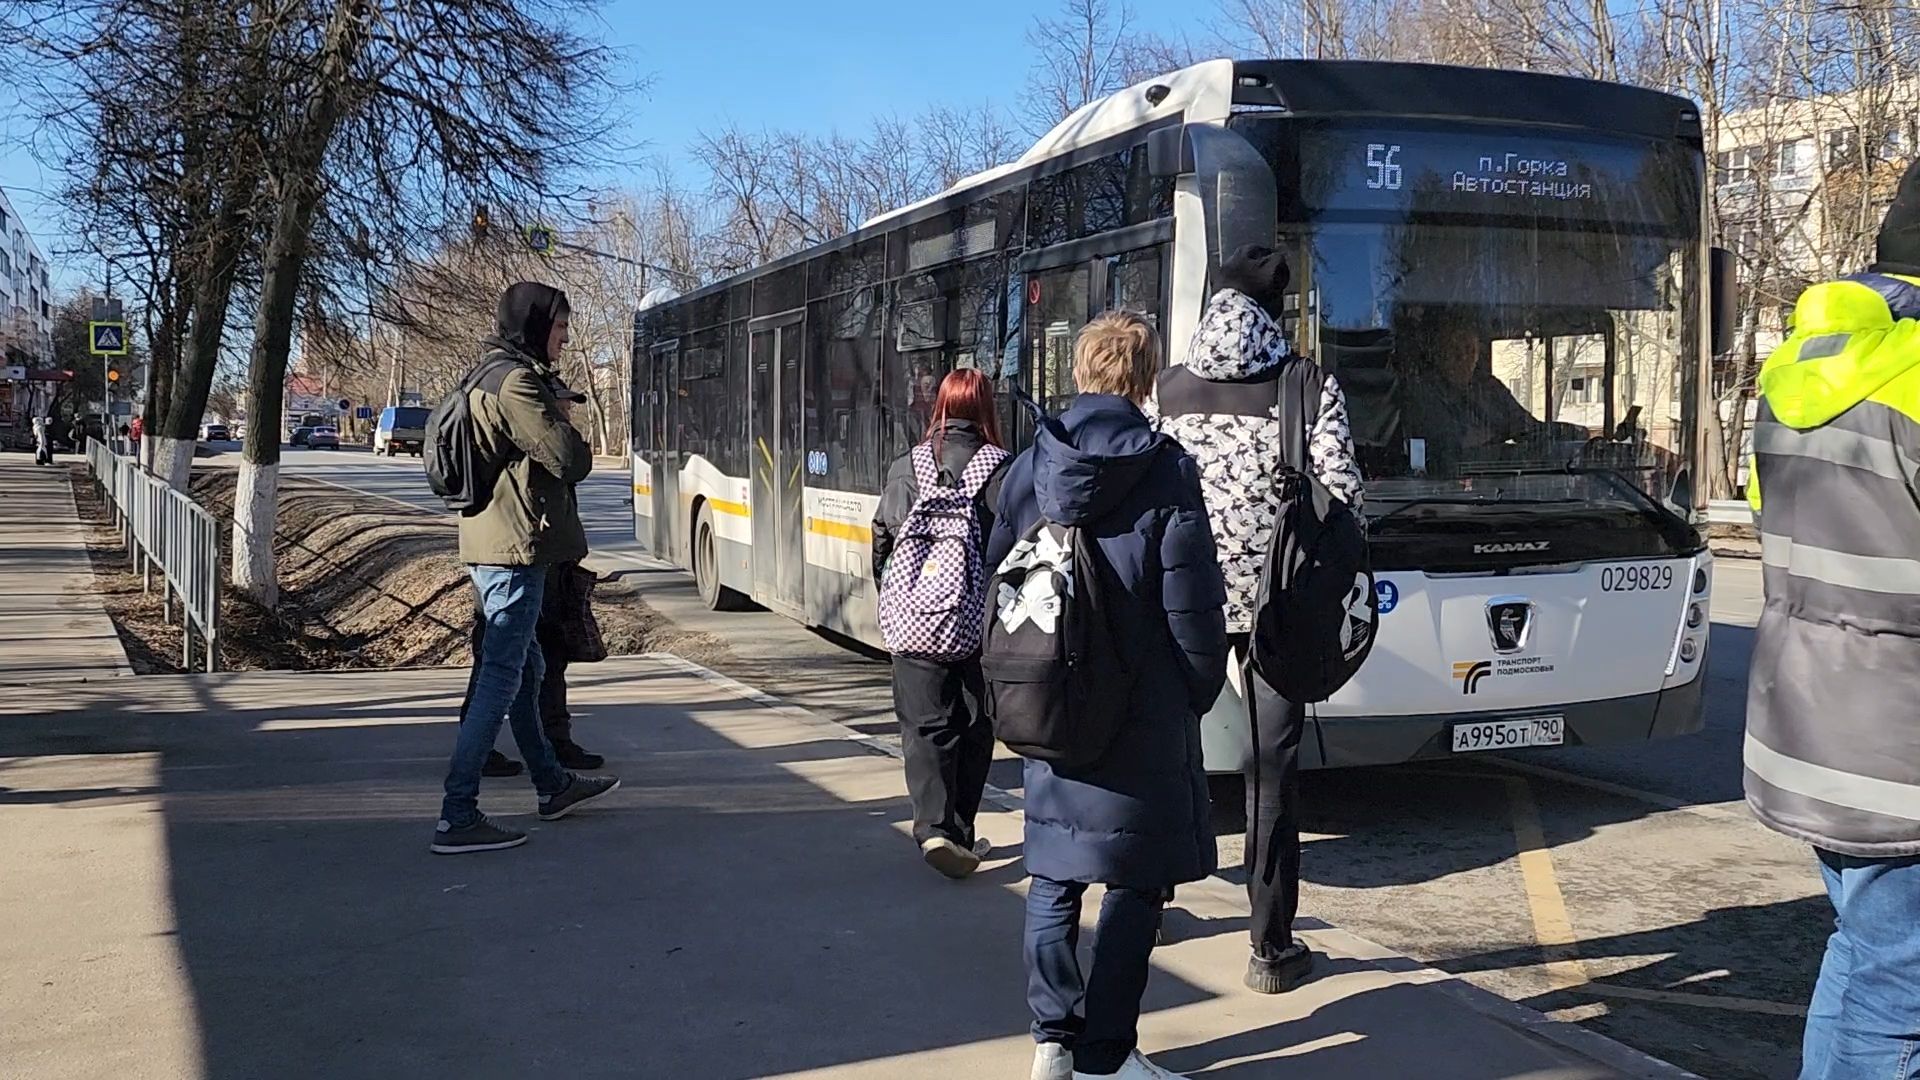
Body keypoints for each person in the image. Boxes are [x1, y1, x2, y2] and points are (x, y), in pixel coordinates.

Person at [987, 311, 1228, 1080]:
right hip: (1143, 710)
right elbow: (1191, 602)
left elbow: (998, 576)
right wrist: (1197, 689)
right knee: (1135, 879)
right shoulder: (1165, 470)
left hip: (1052, 697)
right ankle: (1106, 1056)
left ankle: (1051, 1044)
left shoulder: (1031, 466)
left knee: (1054, 872)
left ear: (1084, 369)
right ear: (1146, 378)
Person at [1743, 163, 1920, 1079]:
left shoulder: (1797, 369)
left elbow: (1765, 509)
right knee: (1899, 993)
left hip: (1813, 727)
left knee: (1864, 957)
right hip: (1904, 751)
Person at [1149, 247, 1363, 996]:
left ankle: (1148, 907)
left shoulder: (1166, 390)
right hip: (1282, 603)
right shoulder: (1307, 385)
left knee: (1170, 748)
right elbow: (1343, 496)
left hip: (1184, 593)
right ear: (1278, 312)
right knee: (1273, 770)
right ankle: (1270, 947)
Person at [431, 281, 619, 855]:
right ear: (535, 326)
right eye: (559, 328)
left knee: (526, 668)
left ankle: (552, 784)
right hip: (513, 548)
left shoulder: (487, 372)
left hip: (498, 543)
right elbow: (568, 460)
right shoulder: (516, 382)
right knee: (502, 674)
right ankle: (457, 813)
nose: (564, 338)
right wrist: (563, 420)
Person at [870, 368, 1010, 879]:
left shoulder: (906, 466)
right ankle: (963, 831)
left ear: (941, 410)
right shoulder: (1002, 470)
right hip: (979, 624)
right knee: (975, 726)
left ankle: (933, 830)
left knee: (925, 728)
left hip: (915, 624)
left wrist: (896, 594)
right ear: (987, 411)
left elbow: (882, 537)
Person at [471, 376, 606, 777]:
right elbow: (565, 469)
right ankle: (481, 751)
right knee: (503, 660)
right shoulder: (532, 437)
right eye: (563, 403)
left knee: (545, 657)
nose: (569, 410)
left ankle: (553, 747)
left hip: (549, 561)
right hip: (522, 560)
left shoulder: (548, 437)